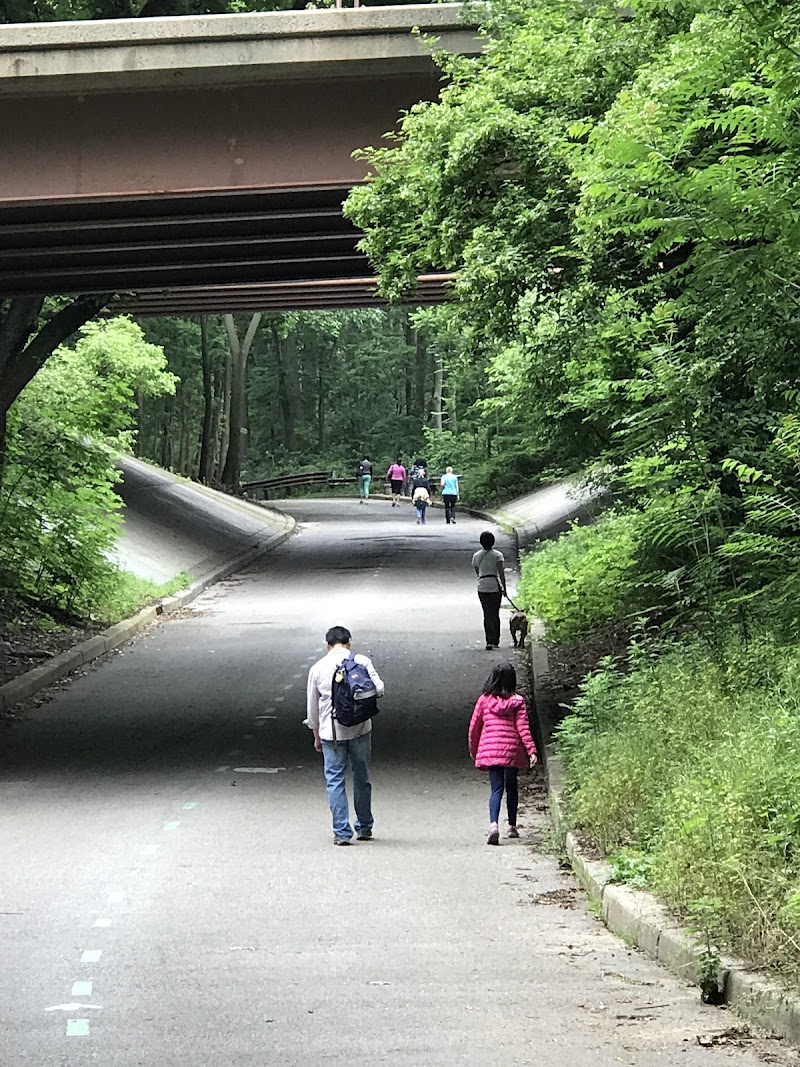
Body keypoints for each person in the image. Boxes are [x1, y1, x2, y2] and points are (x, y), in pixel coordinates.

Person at [306, 625, 385, 845]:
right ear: (349, 642)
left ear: (327, 646)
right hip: (360, 729)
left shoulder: (318, 668)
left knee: (335, 781)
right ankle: (365, 826)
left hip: (331, 733)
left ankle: (342, 831)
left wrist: (316, 734)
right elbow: (379, 689)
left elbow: (312, 709)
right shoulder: (361, 662)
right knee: (362, 778)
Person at [468, 661, 538, 845]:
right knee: (511, 786)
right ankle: (512, 826)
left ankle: (493, 825)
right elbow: (523, 728)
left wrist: (474, 750)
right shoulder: (518, 702)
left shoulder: (484, 700)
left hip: (491, 749)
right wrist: (531, 749)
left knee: (496, 789)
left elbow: (474, 728)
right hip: (511, 750)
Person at [472, 531, 506, 650]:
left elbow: (478, 572)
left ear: (481, 542)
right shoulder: (498, 555)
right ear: (493, 542)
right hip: (495, 586)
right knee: (495, 614)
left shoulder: (476, 556)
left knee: (487, 614)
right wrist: (504, 588)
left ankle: (489, 641)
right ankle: (496, 640)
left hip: (482, 587)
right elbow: (501, 573)